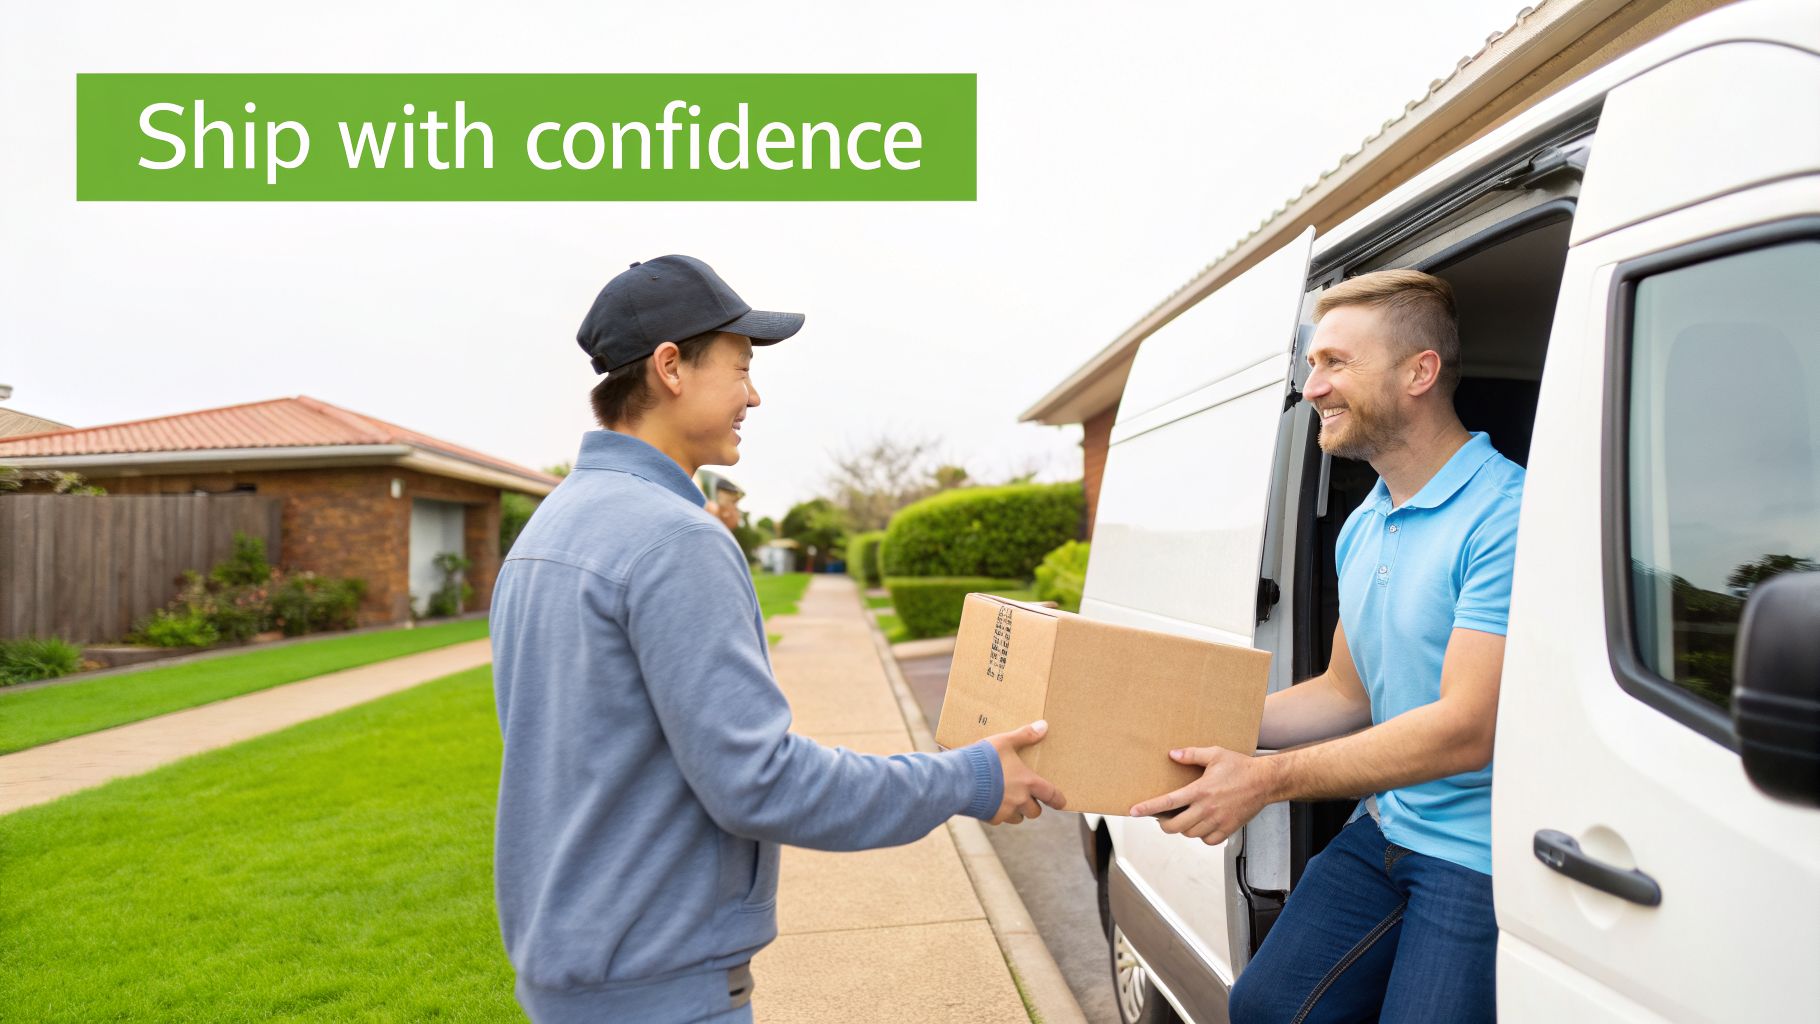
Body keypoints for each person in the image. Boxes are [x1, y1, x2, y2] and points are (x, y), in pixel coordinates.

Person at [489, 255, 1064, 1024]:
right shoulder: (673, 540)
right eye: (741, 369)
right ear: (670, 368)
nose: (753, 395)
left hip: (575, 971)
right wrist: (967, 780)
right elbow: (759, 782)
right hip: (659, 984)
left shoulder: (549, 529)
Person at [1129, 269, 1522, 1023]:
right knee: (1268, 1006)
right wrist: (1194, 722)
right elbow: (1347, 693)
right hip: (1385, 824)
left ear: (1420, 372)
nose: (1312, 388)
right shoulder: (1365, 522)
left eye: (1335, 362)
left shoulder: (1504, 514)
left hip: (1478, 849)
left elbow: (1466, 728)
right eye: (1313, 365)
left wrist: (1264, 782)